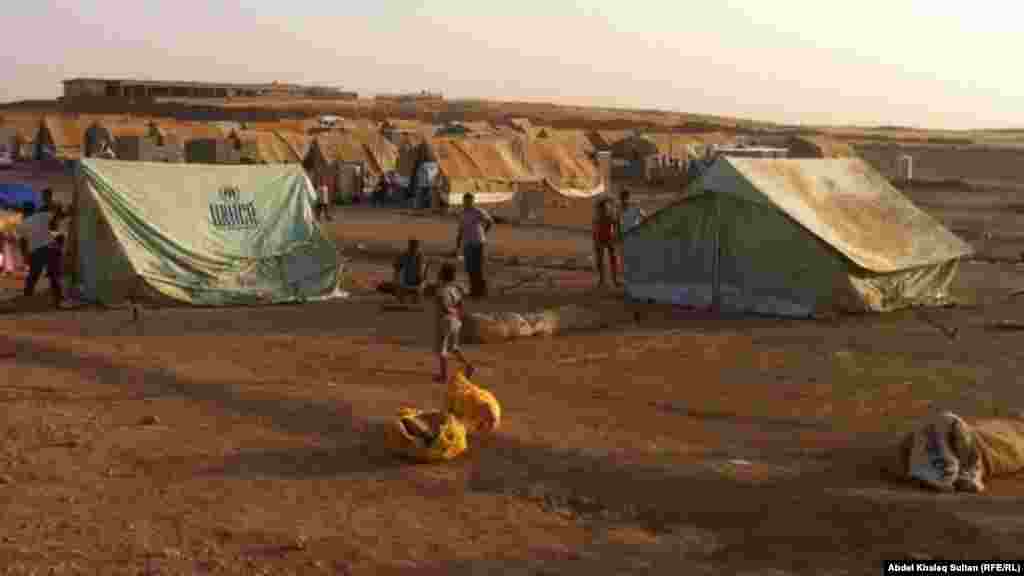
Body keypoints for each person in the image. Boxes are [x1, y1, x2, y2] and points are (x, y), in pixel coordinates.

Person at [16, 200, 64, 308]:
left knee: (33, 275)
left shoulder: (22, 224)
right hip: (52, 248)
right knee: (54, 276)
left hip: (38, 251)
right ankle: (58, 301)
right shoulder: (43, 215)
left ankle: (27, 298)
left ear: (23, 212)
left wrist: (25, 256)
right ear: (34, 210)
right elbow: (56, 217)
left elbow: (22, 242)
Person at [434, 262, 475, 383]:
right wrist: (456, 314)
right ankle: (468, 366)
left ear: (441, 275)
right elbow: (460, 304)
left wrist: (448, 311)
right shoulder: (455, 289)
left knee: (442, 350)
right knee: (454, 348)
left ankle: (443, 376)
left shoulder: (441, 290)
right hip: (456, 321)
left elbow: (442, 306)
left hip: (445, 321)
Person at [454, 193, 495, 299]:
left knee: (478, 267)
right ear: (463, 201)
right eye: (465, 201)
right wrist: (458, 245)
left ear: (472, 201)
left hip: (478, 242)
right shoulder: (462, 213)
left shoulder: (478, 211)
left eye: (469, 201)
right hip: (467, 243)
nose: (467, 203)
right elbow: (460, 230)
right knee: (469, 268)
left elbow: (490, 221)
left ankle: (480, 291)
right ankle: (474, 290)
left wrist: (483, 233)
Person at [592, 197, 620, 288]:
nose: (604, 210)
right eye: (602, 208)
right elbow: (595, 228)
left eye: (605, 208)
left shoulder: (609, 214)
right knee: (601, 260)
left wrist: (616, 235)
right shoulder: (598, 215)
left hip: (608, 238)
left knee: (612, 258)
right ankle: (603, 280)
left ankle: (613, 279)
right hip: (602, 238)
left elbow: (616, 224)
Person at [393, 238, 430, 304]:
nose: (413, 248)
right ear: (409, 245)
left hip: (419, 282)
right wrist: (397, 281)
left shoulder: (422, 257)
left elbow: (423, 274)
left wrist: (422, 282)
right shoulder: (404, 255)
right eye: (412, 245)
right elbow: (397, 268)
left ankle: (416, 300)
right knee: (399, 287)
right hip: (407, 281)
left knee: (418, 290)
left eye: (415, 245)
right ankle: (402, 302)